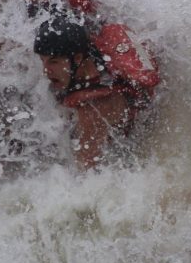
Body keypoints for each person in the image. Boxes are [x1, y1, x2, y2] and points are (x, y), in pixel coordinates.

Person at [32, 13, 159, 169]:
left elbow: (86, 170)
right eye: (42, 61)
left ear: (78, 58)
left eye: (54, 62)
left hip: (139, 132)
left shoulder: (94, 109)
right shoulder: (91, 50)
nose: (46, 71)